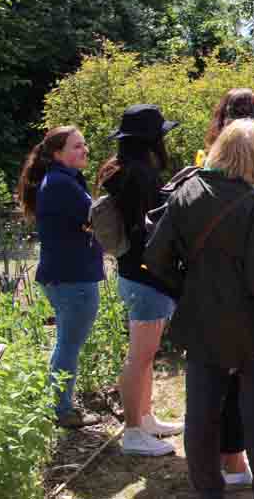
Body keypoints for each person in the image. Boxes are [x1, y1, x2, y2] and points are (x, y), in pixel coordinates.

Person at [145, 119, 254, 499]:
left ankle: (207, 491)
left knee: (201, 415)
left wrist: (186, 289)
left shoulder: (186, 192)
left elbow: (156, 258)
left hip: (202, 319)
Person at [97, 105, 184, 456]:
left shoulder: (119, 171)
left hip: (133, 273)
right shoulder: (141, 177)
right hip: (146, 278)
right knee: (139, 356)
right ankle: (133, 432)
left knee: (145, 356)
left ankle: (145, 418)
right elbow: (153, 232)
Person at [194, 88, 254, 485]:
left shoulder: (208, 159)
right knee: (238, 382)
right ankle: (234, 462)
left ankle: (212, 466)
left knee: (212, 385)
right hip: (241, 290)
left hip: (209, 290)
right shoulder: (248, 163)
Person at [17, 126, 104, 428]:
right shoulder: (60, 184)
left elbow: (87, 221)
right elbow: (97, 218)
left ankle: (60, 404)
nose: (85, 150)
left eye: (84, 144)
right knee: (69, 345)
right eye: (77, 146)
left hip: (66, 276)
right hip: (73, 278)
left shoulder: (61, 180)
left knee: (66, 344)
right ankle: (62, 410)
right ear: (57, 154)